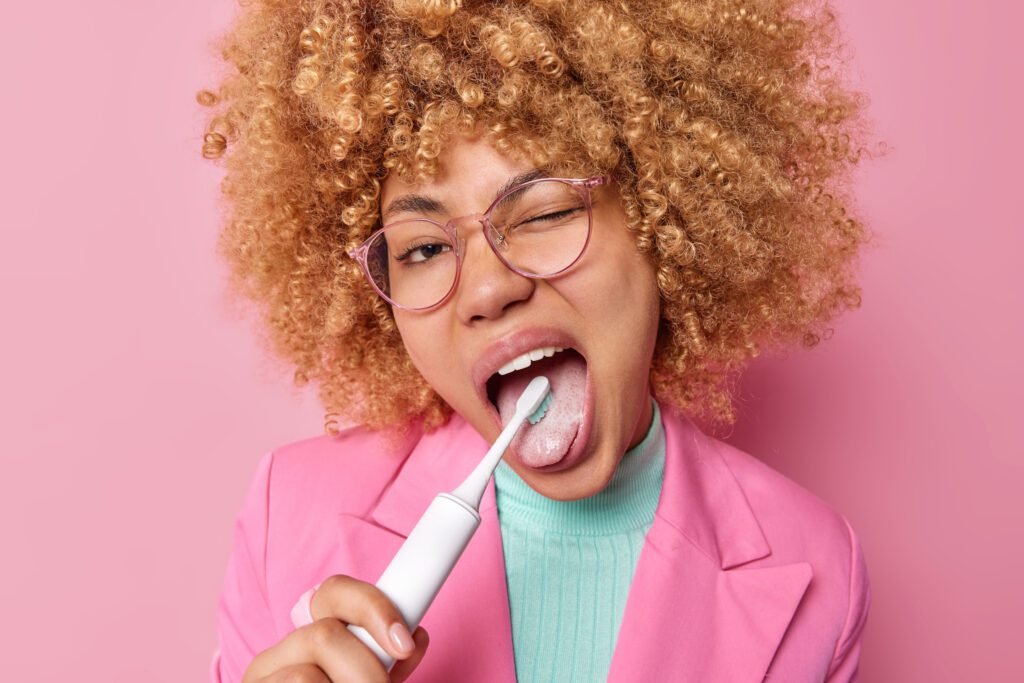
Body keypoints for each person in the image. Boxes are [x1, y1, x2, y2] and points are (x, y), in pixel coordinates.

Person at [199, 1, 874, 681]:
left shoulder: (821, 568)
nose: (489, 290)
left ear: (664, 215)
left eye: (546, 211)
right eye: (425, 248)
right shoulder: (286, 521)